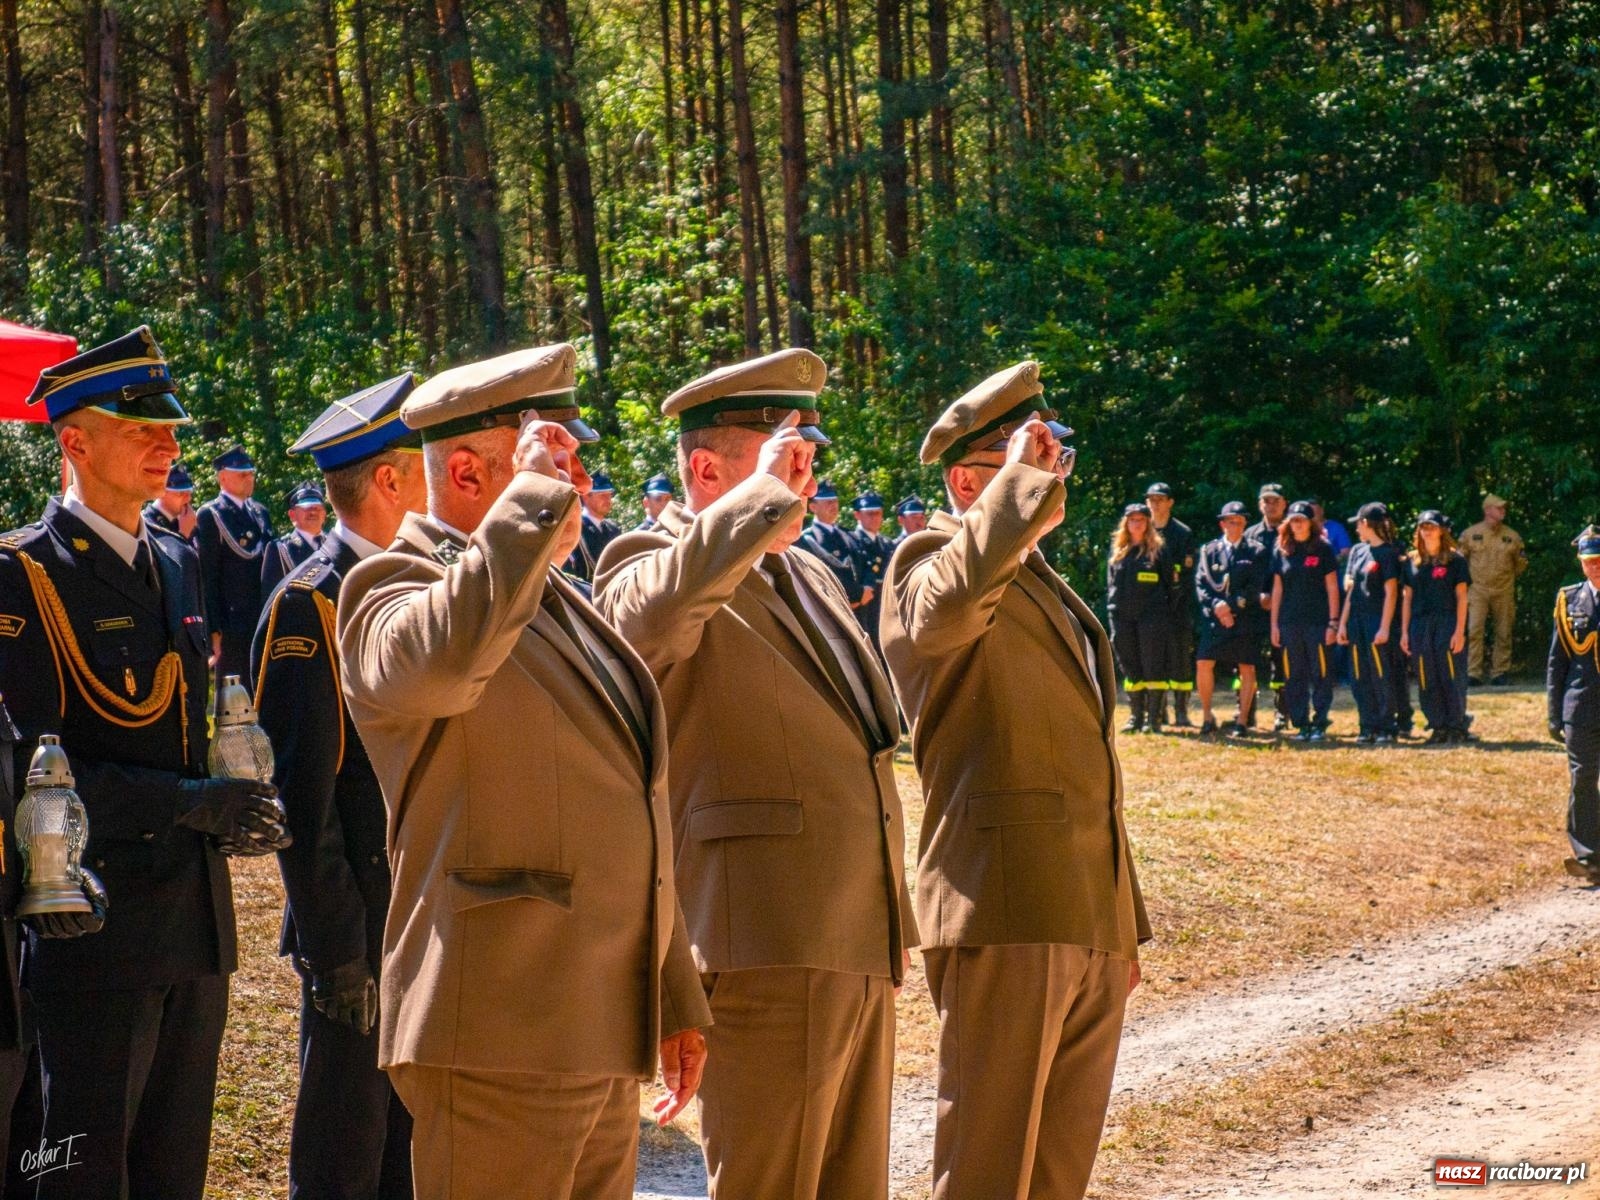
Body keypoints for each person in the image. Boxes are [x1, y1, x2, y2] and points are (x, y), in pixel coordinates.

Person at [336, 343, 709, 1200]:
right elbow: (441, 660)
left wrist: (673, 991)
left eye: (568, 459)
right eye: (551, 454)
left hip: (595, 1024)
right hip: (497, 1027)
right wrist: (533, 506)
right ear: (467, 473)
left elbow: (631, 806)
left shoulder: (556, 598)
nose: (573, 476)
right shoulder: (391, 585)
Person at [592, 348, 915, 1200]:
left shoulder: (801, 567)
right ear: (704, 470)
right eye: (781, 462)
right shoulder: (646, 560)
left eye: (806, 463)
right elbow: (648, 620)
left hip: (852, 931)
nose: (802, 484)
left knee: (854, 1184)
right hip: (761, 940)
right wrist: (758, 501)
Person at [1, 326, 286, 1200]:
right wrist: (194, 800)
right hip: (93, 924)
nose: (168, 444)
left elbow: (186, 722)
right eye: (141, 429)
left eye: (170, 428)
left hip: (193, 919)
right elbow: (36, 777)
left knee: (173, 1169)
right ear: (74, 442)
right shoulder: (22, 572)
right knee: (82, 1170)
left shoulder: (176, 555)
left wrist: (228, 797)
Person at [880, 360, 1149, 1200]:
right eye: (1026, 452)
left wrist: (1119, 921)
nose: (1050, 470)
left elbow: (1087, 769)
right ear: (969, 481)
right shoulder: (927, 562)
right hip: (1002, 905)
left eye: (1054, 452)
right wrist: (1013, 497)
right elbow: (948, 609)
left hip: (1080, 912)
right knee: (987, 1171)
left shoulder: (1042, 583)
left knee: (1057, 1171)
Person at [250, 374, 426, 1200]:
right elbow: (303, 803)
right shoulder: (309, 606)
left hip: (422, 921)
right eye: (420, 462)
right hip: (358, 928)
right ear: (387, 480)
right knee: (343, 1159)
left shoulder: (422, 587)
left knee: (410, 1161)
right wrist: (337, 951)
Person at [196, 443, 275, 690]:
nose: (248, 478)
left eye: (251, 473)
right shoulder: (211, 514)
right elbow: (208, 576)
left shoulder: (260, 513)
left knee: (262, 683)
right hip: (231, 620)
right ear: (223, 477)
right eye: (242, 474)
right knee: (234, 690)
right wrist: (214, 629)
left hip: (260, 613)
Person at [1548, 525, 1600, 884]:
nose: (1594, 567)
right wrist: (1555, 714)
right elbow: (1557, 662)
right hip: (1580, 707)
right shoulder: (1569, 600)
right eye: (1588, 561)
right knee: (1583, 777)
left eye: (1598, 560)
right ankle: (1589, 857)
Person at [1194, 500, 1268, 737]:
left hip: (1244, 619)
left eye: (1239, 521)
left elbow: (1257, 585)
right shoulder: (1209, 551)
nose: (1234, 525)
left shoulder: (1256, 551)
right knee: (1204, 663)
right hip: (1215, 619)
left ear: (1245, 523)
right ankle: (1207, 717)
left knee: (1247, 667)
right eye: (1229, 521)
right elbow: (1201, 584)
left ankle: (1242, 722)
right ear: (1222, 523)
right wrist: (1217, 606)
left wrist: (1232, 606)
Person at [1270, 501, 1340, 742]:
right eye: (1293, 520)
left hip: (1317, 623)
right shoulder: (1282, 549)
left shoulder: (1323, 549)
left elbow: (1332, 588)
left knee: (1320, 673)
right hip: (1289, 623)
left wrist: (1333, 622)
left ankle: (1320, 722)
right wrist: (1274, 625)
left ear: (1311, 523)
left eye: (1302, 519)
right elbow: (1277, 590)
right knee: (1293, 674)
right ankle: (1301, 723)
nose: (1297, 524)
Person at [1401, 510, 1473, 745]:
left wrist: (1459, 631)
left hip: (1447, 622)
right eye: (1423, 526)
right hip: (1420, 625)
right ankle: (1437, 725)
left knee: (1451, 675)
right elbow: (1407, 598)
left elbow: (1462, 597)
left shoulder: (1455, 560)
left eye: (1431, 526)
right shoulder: (1412, 561)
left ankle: (1456, 725)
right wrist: (1404, 632)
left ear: (1442, 530)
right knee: (1426, 676)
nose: (1427, 531)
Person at [1337, 502, 1404, 744]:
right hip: (1356, 621)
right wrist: (1342, 624)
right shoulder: (1357, 551)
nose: (1356, 528)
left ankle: (1387, 726)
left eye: (1358, 523)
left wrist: (1385, 627)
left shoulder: (1388, 553)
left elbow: (1392, 593)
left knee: (1380, 674)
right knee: (1359, 675)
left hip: (1377, 620)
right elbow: (1352, 591)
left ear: (1366, 523)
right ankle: (1368, 725)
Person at [1107, 501, 1173, 733]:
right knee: (1130, 665)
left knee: (1153, 665)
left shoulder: (1158, 551)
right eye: (1132, 519)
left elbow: (1170, 587)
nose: (1136, 523)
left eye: (1141, 519)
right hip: (1122, 617)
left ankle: (1153, 720)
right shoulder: (1119, 551)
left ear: (1148, 523)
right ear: (1126, 523)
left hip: (1152, 618)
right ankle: (1136, 716)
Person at [1459, 494, 1528, 685]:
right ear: (1487, 510)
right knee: (1474, 630)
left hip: (1503, 589)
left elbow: (1521, 564)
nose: (1503, 511)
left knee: (1504, 631)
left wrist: (1506, 578)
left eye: (1504, 508)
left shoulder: (1512, 536)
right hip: (1477, 589)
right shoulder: (1470, 534)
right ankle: (1473, 673)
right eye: (1499, 508)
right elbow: (1460, 562)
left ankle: (1500, 672)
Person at [1145, 482, 1196, 726]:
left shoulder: (1182, 533)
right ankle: (1158, 711)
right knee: (1155, 661)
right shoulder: (1141, 531)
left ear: (1170, 502)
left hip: (1178, 608)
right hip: (1150, 611)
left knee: (1180, 661)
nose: (1155, 503)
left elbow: (1185, 575)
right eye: (1151, 499)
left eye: (1160, 499)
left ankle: (1182, 712)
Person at [1244, 483, 1290, 730]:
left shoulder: (1292, 532)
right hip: (1252, 609)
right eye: (1266, 501)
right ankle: (1246, 712)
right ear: (1260, 504)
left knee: (1281, 662)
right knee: (1245, 661)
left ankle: (1282, 713)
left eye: (1275, 501)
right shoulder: (1250, 534)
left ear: (1284, 504)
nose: (1270, 505)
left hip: (1284, 610)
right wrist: (1257, 596)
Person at [799, 478, 870, 610]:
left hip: (862, 610)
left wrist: (866, 590)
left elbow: (866, 565)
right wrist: (856, 595)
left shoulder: (849, 536)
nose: (834, 505)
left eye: (835, 501)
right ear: (813, 507)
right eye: (828, 502)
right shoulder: (805, 540)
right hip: (831, 609)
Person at [259, 482, 328, 602]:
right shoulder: (279, 549)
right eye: (306, 508)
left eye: (317, 508)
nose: (313, 512)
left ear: (324, 513)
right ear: (292, 515)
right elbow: (269, 598)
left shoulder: (333, 544)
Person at [847, 491, 894, 653]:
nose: (875, 517)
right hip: (864, 609)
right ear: (857, 515)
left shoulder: (887, 544)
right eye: (870, 513)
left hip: (886, 608)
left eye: (878, 513)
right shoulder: (851, 542)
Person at [143, 464, 198, 540]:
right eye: (181, 493)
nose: (188, 499)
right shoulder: (147, 524)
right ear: (161, 493)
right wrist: (184, 535)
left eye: (189, 492)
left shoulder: (184, 520)